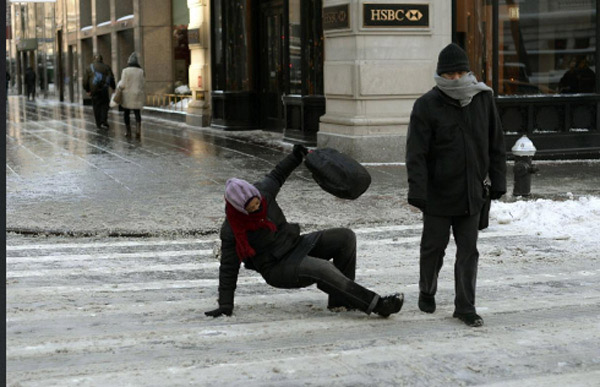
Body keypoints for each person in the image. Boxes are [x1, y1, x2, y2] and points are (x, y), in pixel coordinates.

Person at [205, 145, 404, 318]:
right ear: (239, 208)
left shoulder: (263, 192)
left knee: (345, 237)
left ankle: (340, 301)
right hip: (277, 267)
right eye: (251, 207)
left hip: (296, 244)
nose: (257, 208)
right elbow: (228, 268)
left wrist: (296, 156)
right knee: (323, 269)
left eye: (258, 203)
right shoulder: (232, 229)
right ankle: (377, 305)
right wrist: (225, 305)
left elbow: (278, 174)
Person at [405, 43, 507, 327]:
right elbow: (416, 154)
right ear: (440, 74)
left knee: (468, 252)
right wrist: (418, 190)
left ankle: (465, 307)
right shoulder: (426, 105)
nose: (456, 79)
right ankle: (427, 289)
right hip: (438, 194)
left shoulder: (483, 99)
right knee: (433, 248)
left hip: (472, 193)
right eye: (449, 74)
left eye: (461, 72)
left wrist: (498, 180)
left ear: (468, 71)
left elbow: (496, 143)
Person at [117, 52, 145, 138]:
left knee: (126, 113)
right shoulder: (141, 71)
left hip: (127, 95)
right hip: (137, 94)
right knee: (137, 113)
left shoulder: (125, 71)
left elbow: (122, 84)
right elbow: (143, 83)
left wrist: (119, 87)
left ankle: (128, 131)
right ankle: (138, 131)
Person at [83, 54, 115, 129]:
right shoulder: (107, 67)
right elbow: (111, 78)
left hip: (94, 90)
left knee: (96, 106)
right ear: (101, 60)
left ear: (93, 59)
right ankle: (104, 120)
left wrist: (87, 90)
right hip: (104, 89)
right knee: (104, 105)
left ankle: (98, 123)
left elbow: (85, 81)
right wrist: (113, 87)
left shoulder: (89, 68)